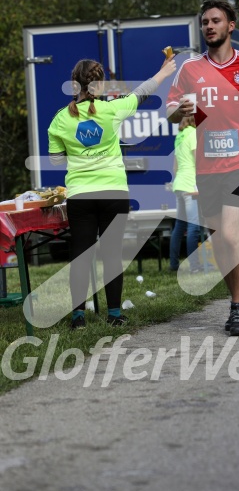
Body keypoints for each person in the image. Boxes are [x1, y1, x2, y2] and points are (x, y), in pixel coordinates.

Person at [166, 0, 239, 336]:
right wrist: (181, 112)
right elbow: (172, 111)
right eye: (205, 23)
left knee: (231, 234)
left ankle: (235, 309)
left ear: (230, 25)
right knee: (217, 238)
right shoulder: (190, 69)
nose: (209, 27)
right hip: (206, 165)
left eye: (215, 21)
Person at [48, 56, 176, 329]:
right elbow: (142, 93)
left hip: (80, 195)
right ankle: (115, 315)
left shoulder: (60, 119)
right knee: (112, 254)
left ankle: (78, 317)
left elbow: (56, 160)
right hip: (114, 192)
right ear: (100, 84)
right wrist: (163, 71)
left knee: (81, 254)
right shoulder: (113, 109)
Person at [169, 117, 202, 273]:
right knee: (193, 227)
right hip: (190, 184)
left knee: (180, 226)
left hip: (179, 184)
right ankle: (195, 267)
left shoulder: (179, 135)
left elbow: (175, 166)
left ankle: (174, 264)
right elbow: (198, 160)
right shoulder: (193, 133)